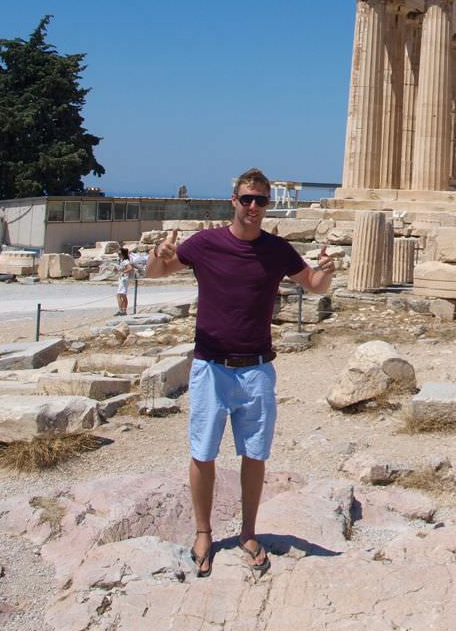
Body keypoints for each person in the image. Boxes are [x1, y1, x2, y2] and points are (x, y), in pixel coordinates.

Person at [147, 168, 335, 579]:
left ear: (267, 205)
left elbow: (313, 284)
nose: (253, 207)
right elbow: (157, 274)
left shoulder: (277, 249)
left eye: (260, 201)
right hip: (211, 365)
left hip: (257, 368)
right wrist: (156, 256)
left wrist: (327, 269)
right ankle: (203, 533)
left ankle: (249, 533)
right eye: (246, 199)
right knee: (203, 452)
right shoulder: (206, 243)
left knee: (254, 455)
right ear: (233, 200)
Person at [114, 245, 141, 315]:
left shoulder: (126, 261)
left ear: (123, 254)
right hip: (123, 279)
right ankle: (122, 310)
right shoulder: (122, 261)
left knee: (120, 295)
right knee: (122, 295)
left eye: (120, 254)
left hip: (124, 279)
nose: (119, 255)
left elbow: (130, 268)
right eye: (118, 254)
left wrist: (123, 272)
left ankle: (122, 311)